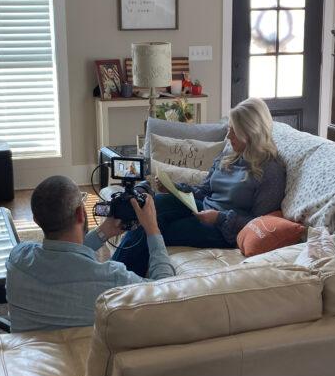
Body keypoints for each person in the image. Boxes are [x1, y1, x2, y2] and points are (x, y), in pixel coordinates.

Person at [112, 97, 286, 276]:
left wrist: (219, 218)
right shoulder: (231, 153)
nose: (228, 136)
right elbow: (204, 190)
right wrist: (173, 188)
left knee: (155, 228)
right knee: (152, 206)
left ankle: (115, 277)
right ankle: (116, 276)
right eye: (229, 129)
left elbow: (259, 223)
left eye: (234, 131)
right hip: (202, 208)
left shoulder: (271, 172)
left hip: (223, 230)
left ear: (251, 132)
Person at [6, 176, 175, 333]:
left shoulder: (17, 257)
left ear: (36, 220)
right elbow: (169, 294)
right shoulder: (112, 279)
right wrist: (152, 229)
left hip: (30, 360)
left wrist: (103, 232)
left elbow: (62, 258)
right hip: (85, 362)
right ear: (81, 213)